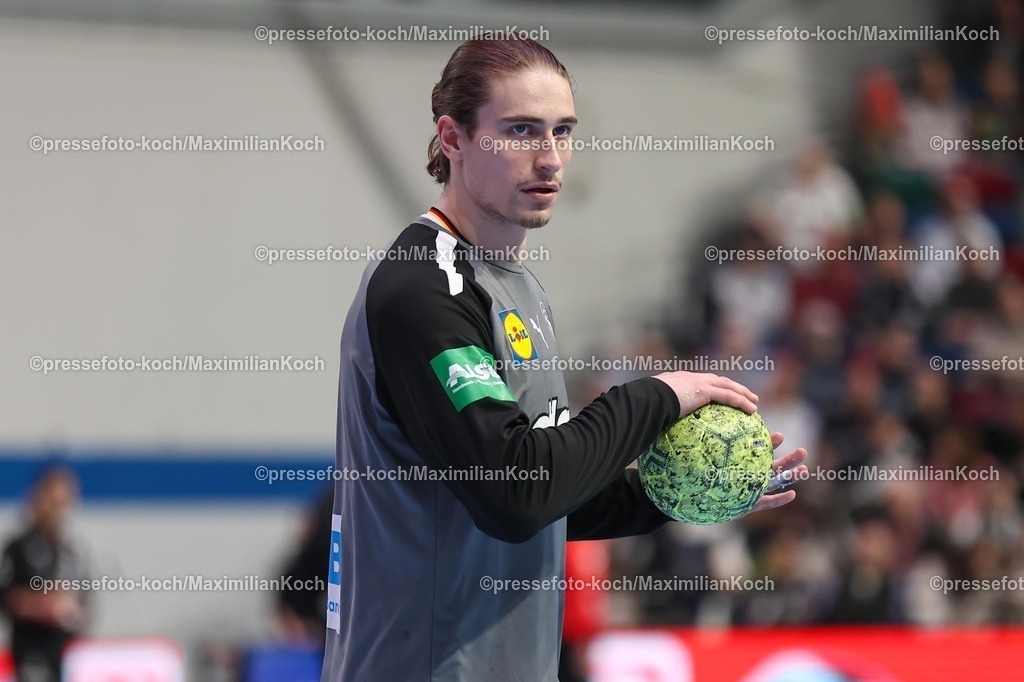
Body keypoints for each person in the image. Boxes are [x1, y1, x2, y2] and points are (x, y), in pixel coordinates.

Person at [320, 37, 808, 682]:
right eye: (520, 131)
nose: (549, 158)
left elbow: (551, 501)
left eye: (562, 132)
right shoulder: (423, 286)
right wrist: (654, 398)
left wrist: (686, 493)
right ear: (454, 137)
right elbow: (513, 492)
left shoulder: (515, 285)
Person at [0, 466, 89, 682]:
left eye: (64, 503)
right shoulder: (19, 548)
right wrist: (43, 606)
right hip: (32, 653)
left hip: (67, 655)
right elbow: (6, 597)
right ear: (38, 499)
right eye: (54, 502)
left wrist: (73, 610)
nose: (59, 510)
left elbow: (85, 603)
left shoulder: (71, 551)